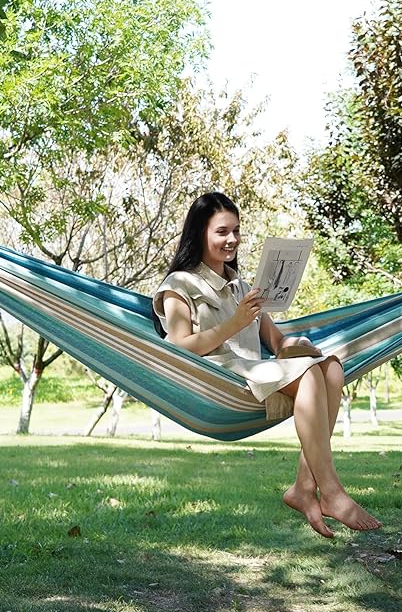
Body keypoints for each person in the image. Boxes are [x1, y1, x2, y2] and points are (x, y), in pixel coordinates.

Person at [152, 192, 382, 537]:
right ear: (200, 233)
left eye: (236, 231)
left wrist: (295, 345)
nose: (232, 239)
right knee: (310, 374)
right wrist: (235, 322)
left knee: (331, 367)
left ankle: (304, 487)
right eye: (222, 231)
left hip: (257, 371)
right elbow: (180, 347)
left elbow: (275, 341)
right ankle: (332, 492)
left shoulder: (242, 286)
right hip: (220, 377)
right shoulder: (178, 285)